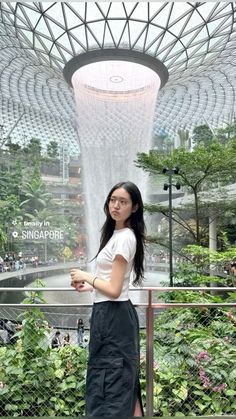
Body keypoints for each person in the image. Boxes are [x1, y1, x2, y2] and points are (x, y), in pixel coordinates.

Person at [70, 181, 146, 417]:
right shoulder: (117, 235)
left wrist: (87, 276)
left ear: (134, 207)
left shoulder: (124, 238)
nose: (116, 206)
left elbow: (114, 289)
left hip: (113, 317)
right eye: (113, 200)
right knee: (122, 381)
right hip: (113, 314)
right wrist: (90, 287)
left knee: (111, 384)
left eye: (123, 202)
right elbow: (112, 285)